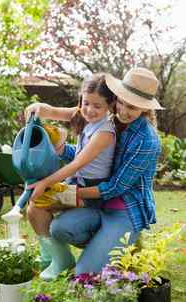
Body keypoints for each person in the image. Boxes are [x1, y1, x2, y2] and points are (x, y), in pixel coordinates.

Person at [26, 67, 163, 280]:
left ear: (144, 109)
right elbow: (91, 157)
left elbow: (115, 187)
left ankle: (116, 246)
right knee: (57, 226)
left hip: (124, 210)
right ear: (116, 99)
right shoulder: (111, 117)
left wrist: (67, 193)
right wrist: (42, 110)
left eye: (133, 108)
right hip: (98, 204)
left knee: (83, 275)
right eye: (122, 102)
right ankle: (93, 250)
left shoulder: (146, 140)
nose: (124, 111)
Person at [26, 73, 117, 280]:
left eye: (97, 106)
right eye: (86, 103)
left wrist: (46, 182)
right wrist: (39, 108)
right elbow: (53, 111)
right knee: (35, 206)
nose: (90, 110)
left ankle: (61, 260)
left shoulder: (105, 132)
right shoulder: (82, 115)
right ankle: (52, 256)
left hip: (91, 194)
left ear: (110, 106)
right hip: (75, 184)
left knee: (37, 204)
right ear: (81, 99)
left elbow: (77, 163)